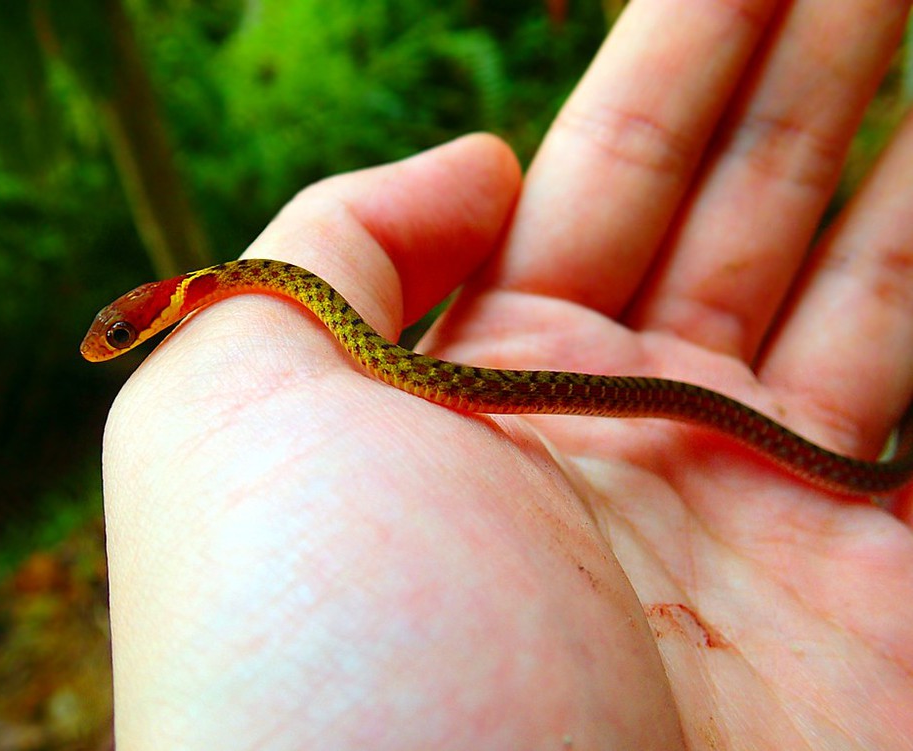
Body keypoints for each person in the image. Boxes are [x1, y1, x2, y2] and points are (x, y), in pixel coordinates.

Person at [103, 1, 913, 747]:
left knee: (715, 412)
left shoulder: (255, 281)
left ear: (162, 307)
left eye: (118, 333)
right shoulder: (250, 291)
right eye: (117, 335)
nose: (109, 342)